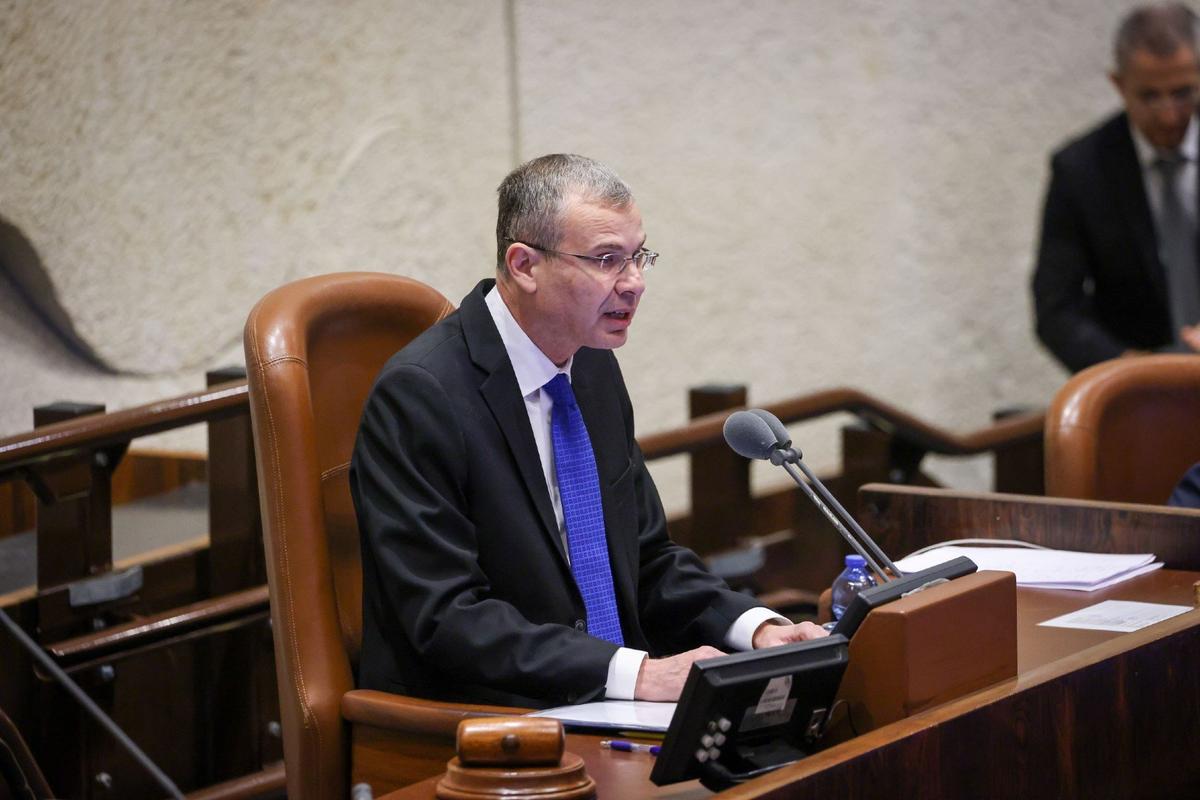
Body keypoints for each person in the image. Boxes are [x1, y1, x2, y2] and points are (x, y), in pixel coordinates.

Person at [350, 154, 826, 708]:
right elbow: (446, 616)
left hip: (599, 701)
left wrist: (756, 628)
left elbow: (645, 558)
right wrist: (637, 675)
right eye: (607, 260)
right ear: (524, 265)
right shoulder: (422, 394)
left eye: (638, 256)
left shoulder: (590, 364)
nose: (635, 284)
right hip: (477, 720)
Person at [1032, 3, 1200, 373]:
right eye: (1150, 96)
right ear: (1119, 85)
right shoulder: (1080, 170)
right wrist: (1125, 368)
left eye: (1183, 92)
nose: (1169, 115)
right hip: (1142, 401)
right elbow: (1057, 310)